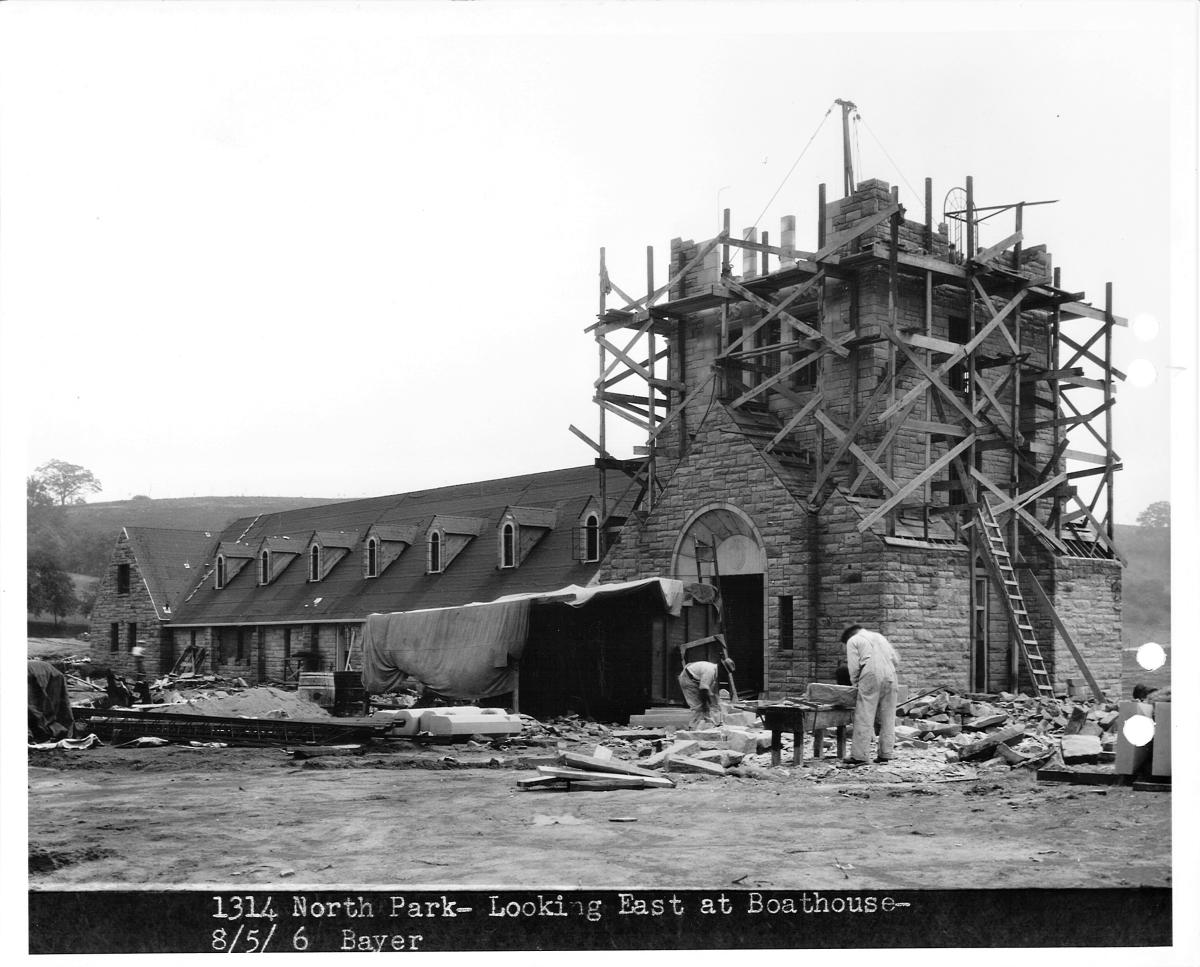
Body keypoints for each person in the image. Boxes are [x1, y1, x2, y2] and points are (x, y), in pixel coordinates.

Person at [840, 624, 900, 765]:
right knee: (888, 715)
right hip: (891, 673)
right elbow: (896, 660)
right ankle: (886, 753)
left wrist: (855, 684)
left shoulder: (853, 640)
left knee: (864, 715)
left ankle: (859, 756)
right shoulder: (879, 637)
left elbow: (854, 667)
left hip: (871, 673)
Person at [678, 658, 734, 729]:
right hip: (688, 680)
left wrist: (714, 703)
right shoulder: (710, 671)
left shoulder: (715, 672)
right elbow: (703, 690)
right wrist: (705, 705)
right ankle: (693, 728)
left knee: (708, 705)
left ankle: (706, 725)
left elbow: (711, 692)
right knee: (698, 706)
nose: (725, 675)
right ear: (722, 668)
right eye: (725, 673)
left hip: (695, 679)